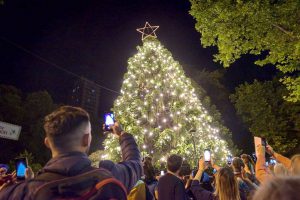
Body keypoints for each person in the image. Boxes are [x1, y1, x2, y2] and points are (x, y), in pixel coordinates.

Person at [0, 106, 142, 199]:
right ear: (87, 139)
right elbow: (135, 164)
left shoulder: (17, 193)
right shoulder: (109, 176)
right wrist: (122, 134)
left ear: (47, 143)